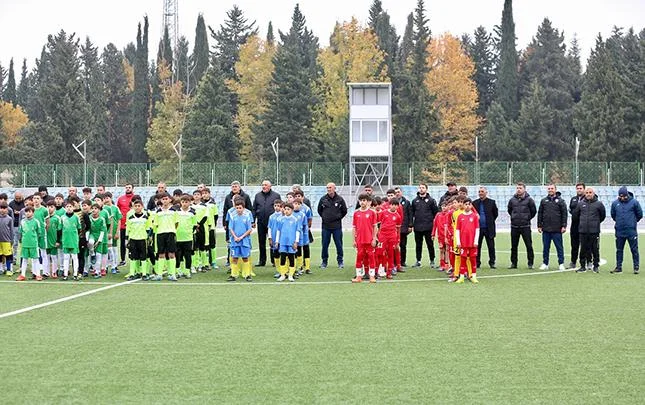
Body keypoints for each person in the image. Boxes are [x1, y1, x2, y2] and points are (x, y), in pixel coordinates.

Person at [610, 186, 643, 274]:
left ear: (627, 194)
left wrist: (632, 222)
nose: (622, 198)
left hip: (631, 231)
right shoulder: (615, 203)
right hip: (619, 231)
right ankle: (618, 267)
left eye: (624, 196)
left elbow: (639, 214)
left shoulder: (634, 202)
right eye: (620, 196)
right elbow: (613, 215)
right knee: (619, 250)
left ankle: (636, 267)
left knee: (634, 249)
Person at [573, 187, 606, 273]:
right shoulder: (580, 204)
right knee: (583, 249)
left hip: (594, 231)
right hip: (583, 231)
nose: (588, 194)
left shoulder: (599, 204)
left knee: (595, 249)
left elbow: (602, 216)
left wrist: (595, 223)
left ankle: (595, 266)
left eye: (590, 192)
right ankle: (583, 266)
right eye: (587, 192)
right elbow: (576, 216)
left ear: (593, 193)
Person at [537, 184, 568, 271]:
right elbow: (540, 213)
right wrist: (539, 225)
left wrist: (564, 226)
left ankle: (561, 263)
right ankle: (545, 263)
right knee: (546, 247)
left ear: (555, 190)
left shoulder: (561, 201)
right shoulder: (543, 201)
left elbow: (564, 214)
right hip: (546, 229)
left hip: (557, 229)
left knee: (559, 247)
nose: (550, 190)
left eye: (552, 188)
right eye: (549, 188)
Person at [222, 181, 253, 266]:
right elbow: (225, 211)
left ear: (239, 187)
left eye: (236, 186)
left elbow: (250, 208)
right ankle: (231, 264)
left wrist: (252, 222)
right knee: (231, 244)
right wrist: (224, 223)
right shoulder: (228, 198)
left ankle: (247, 270)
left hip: (244, 230)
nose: (234, 188)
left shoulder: (246, 197)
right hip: (232, 229)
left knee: (245, 250)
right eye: (233, 186)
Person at [318, 182, 348, 269]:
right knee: (324, 245)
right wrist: (325, 217)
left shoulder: (340, 199)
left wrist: (338, 217)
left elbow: (344, 211)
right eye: (327, 188)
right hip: (326, 227)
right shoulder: (323, 199)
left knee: (339, 244)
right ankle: (324, 261)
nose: (328, 189)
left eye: (330, 187)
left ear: (335, 188)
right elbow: (319, 210)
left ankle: (340, 261)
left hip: (337, 227)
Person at [507, 182, 537, 269]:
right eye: (517, 188)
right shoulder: (512, 200)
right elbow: (510, 210)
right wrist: (514, 217)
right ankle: (514, 263)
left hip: (525, 226)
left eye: (520, 188)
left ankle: (530, 263)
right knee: (514, 246)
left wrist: (527, 218)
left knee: (528, 245)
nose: (518, 190)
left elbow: (533, 211)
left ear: (524, 189)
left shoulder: (529, 200)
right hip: (514, 226)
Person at [253, 180, 281, 267]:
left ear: (270, 186)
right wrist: (253, 220)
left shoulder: (276, 195)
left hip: (272, 223)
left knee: (272, 241)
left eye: (265, 185)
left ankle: (274, 260)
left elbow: (280, 207)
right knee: (261, 242)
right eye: (262, 185)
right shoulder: (257, 196)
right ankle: (262, 261)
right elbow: (254, 208)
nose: (264, 186)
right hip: (261, 222)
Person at [352, 193, 378, 283]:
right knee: (359, 258)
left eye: (364, 200)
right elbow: (354, 227)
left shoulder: (372, 213)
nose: (362, 202)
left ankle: (372, 276)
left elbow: (375, 227)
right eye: (361, 200)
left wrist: (374, 239)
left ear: (367, 202)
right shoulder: (356, 213)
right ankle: (359, 276)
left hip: (369, 240)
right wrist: (354, 240)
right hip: (359, 240)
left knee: (371, 257)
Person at [411, 183, 439, 268]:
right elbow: (412, 213)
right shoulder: (415, 201)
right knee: (418, 245)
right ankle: (418, 261)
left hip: (428, 226)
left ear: (426, 189)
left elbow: (436, 213)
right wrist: (411, 225)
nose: (421, 189)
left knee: (430, 244)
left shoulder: (431, 200)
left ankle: (432, 260)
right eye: (420, 188)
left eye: (423, 188)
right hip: (418, 227)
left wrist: (433, 225)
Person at [227, 196, 254, 282]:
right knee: (234, 258)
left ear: (243, 208)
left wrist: (241, 237)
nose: (238, 209)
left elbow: (249, 229)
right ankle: (234, 275)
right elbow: (230, 228)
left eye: (240, 208)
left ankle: (247, 275)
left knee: (245, 258)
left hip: (244, 241)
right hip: (235, 241)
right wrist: (235, 237)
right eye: (237, 208)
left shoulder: (247, 216)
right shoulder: (232, 216)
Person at [153, 193, 179, 281]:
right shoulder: (158, 212)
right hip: (160, 234)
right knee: (161, 254)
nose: (164, 201)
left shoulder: (174, 211)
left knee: (171, 253)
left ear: (170, 200)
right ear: (161, 201)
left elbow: (176, 223)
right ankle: (159, 274)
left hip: (170, 233)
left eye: (166, 199)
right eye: (163, 199)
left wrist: (172, 230)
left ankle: (172, 273)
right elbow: (155, 224)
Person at [454, 198, 479, 284]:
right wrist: (458, 242)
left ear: (471, 205)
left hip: (472, 242)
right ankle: (461, 276)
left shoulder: (474, 216)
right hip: (463, 242)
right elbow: (457, 230)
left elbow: (477, 229)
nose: (467, 206)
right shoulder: (460, 216)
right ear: (463, 205)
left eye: (469, 204)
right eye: (466, 204)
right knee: (463, 259)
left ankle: (473, 276)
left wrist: (476, 241)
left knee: (473, 259)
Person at [125, 199, 152, 281]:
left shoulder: (146, 217)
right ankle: (133, 273)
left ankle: (144, 273)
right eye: (135, 206)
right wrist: (127, 240)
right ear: (133, 207)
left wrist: (149, 237)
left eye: (139, 206)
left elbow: (148, 228)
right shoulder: (130, 217)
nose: (137, 207)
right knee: (133, 257)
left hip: (142, 239)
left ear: (142, 207)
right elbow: (128, 229)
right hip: (133, 239)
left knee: (143, 257)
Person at [472, 187, 498, 269]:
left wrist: (489, 221)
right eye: (479, 192)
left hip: (488, 228)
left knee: (491, 246)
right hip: (478, 229)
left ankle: (492, 262)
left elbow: (495, 214)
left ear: (486, 192)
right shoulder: (475, 203)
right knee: (477, 246)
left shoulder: (492, 202)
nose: (480, 193)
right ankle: (477, 262)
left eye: (482, 191)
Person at [275, 202, 301, 282]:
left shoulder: (295, 220)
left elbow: (297, 231)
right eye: (285, 209)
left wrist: (296, 242)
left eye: (288, 209)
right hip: (282, 242)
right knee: (282, 258)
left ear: (292, 210)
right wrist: (277, 241)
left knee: (291, 258)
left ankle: (290, 275)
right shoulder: (281, 219)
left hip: (291, 243)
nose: (286, 211)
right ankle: (283, 275)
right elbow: (278, 231)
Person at [16, 206, 43, 281]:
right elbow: (21, 232)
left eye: (29, 211)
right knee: (24, 259)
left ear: (33, 212)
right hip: (25, 244)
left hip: (33, 244)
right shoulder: (22, 221)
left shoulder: (36, 221)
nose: (27, 213)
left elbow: (39, 233)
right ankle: (22, 275)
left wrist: (35, 240)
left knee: (35, 260)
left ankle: (38, 275)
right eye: (26, 211)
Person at [379, 198, 402, 279]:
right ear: (389, 205)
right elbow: (378, 224)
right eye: (392, 205)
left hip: (392, 237)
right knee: (380, 253)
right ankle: (380, 271)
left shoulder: (398, 216)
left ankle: (389, 272)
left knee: (390, 254)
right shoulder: (383, 213)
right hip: (382, 236)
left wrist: (398, 240)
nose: (394, 207)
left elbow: (398, 229)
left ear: (398, 206)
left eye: (396, 205)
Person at [175, 194, 197, 279]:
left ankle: (187, 271)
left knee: (187, 255)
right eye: (183, 202)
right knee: (178, 254)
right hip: (178, 236)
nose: (184, 204)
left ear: (190, 202)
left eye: (186, 202)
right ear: (180, 202)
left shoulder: (192, 212)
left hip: (188, 237)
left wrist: (190, 232)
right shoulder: (177, 212)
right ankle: (178, 270)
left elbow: (195, 224)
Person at [60, 201, 81, 280]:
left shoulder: (76, 217)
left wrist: (75, 236)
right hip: (65, 240)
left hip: (74, 240)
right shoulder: (62, 217)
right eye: (67, 206)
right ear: (65, 208)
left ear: (73, 208)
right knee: (66, 258)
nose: (69, 208)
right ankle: (65, 274)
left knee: (75, 257)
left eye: (70, 206)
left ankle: (75, 274)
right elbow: (60, 228)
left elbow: (79, 228)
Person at [116, 183, 135, 266]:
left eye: (129, 187)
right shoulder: (121, 199)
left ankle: (133, 258)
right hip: (123, 225)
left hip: (133, 225)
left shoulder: (135, 198)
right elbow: (118, 211)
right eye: (126, 187)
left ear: (132, 188)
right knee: (122, 243)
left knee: (132, 243)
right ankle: (123, 259)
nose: (128, 189)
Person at [394, 187, 412, 268]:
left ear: (401, 192)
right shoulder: (391, 203)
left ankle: (402, 261)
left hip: (403, 228)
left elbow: (410, 214)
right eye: (396, 192)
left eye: (398, 192)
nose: (397, 193)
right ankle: (395, 262)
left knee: (403, 245)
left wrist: (410, 225)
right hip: (393, 229)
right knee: (394, 246)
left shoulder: (407, 202)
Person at [568, 183, 585, 268]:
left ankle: (585, 262)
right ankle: (573, 262)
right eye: (577, 188)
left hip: (584, 225)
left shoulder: (587, 199)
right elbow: (570, 210)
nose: (579, 190)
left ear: (584, 189)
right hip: (574, 225)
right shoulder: (573, 199)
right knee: (574, 245)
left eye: (580, 188)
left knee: (585, 245)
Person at [0, 202, 14, 276]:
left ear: (7, 209)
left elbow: (11, 230)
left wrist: (12, 240)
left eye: (4, 208)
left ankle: (9, 269)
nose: (2, 210)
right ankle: (1, 269)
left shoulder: (9, 219)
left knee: (8, 255)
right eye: (1, 208)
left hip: (6, 241)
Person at [8, 191, 23, 258]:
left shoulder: (24, 203)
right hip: (14, 225)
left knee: (24, 243)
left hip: (24, 225)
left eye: (19, 198)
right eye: (16, 198)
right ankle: (14, 257)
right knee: (15, 243)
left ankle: (24, 258)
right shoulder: (11, 203)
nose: (18, 200)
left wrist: (20, 212)